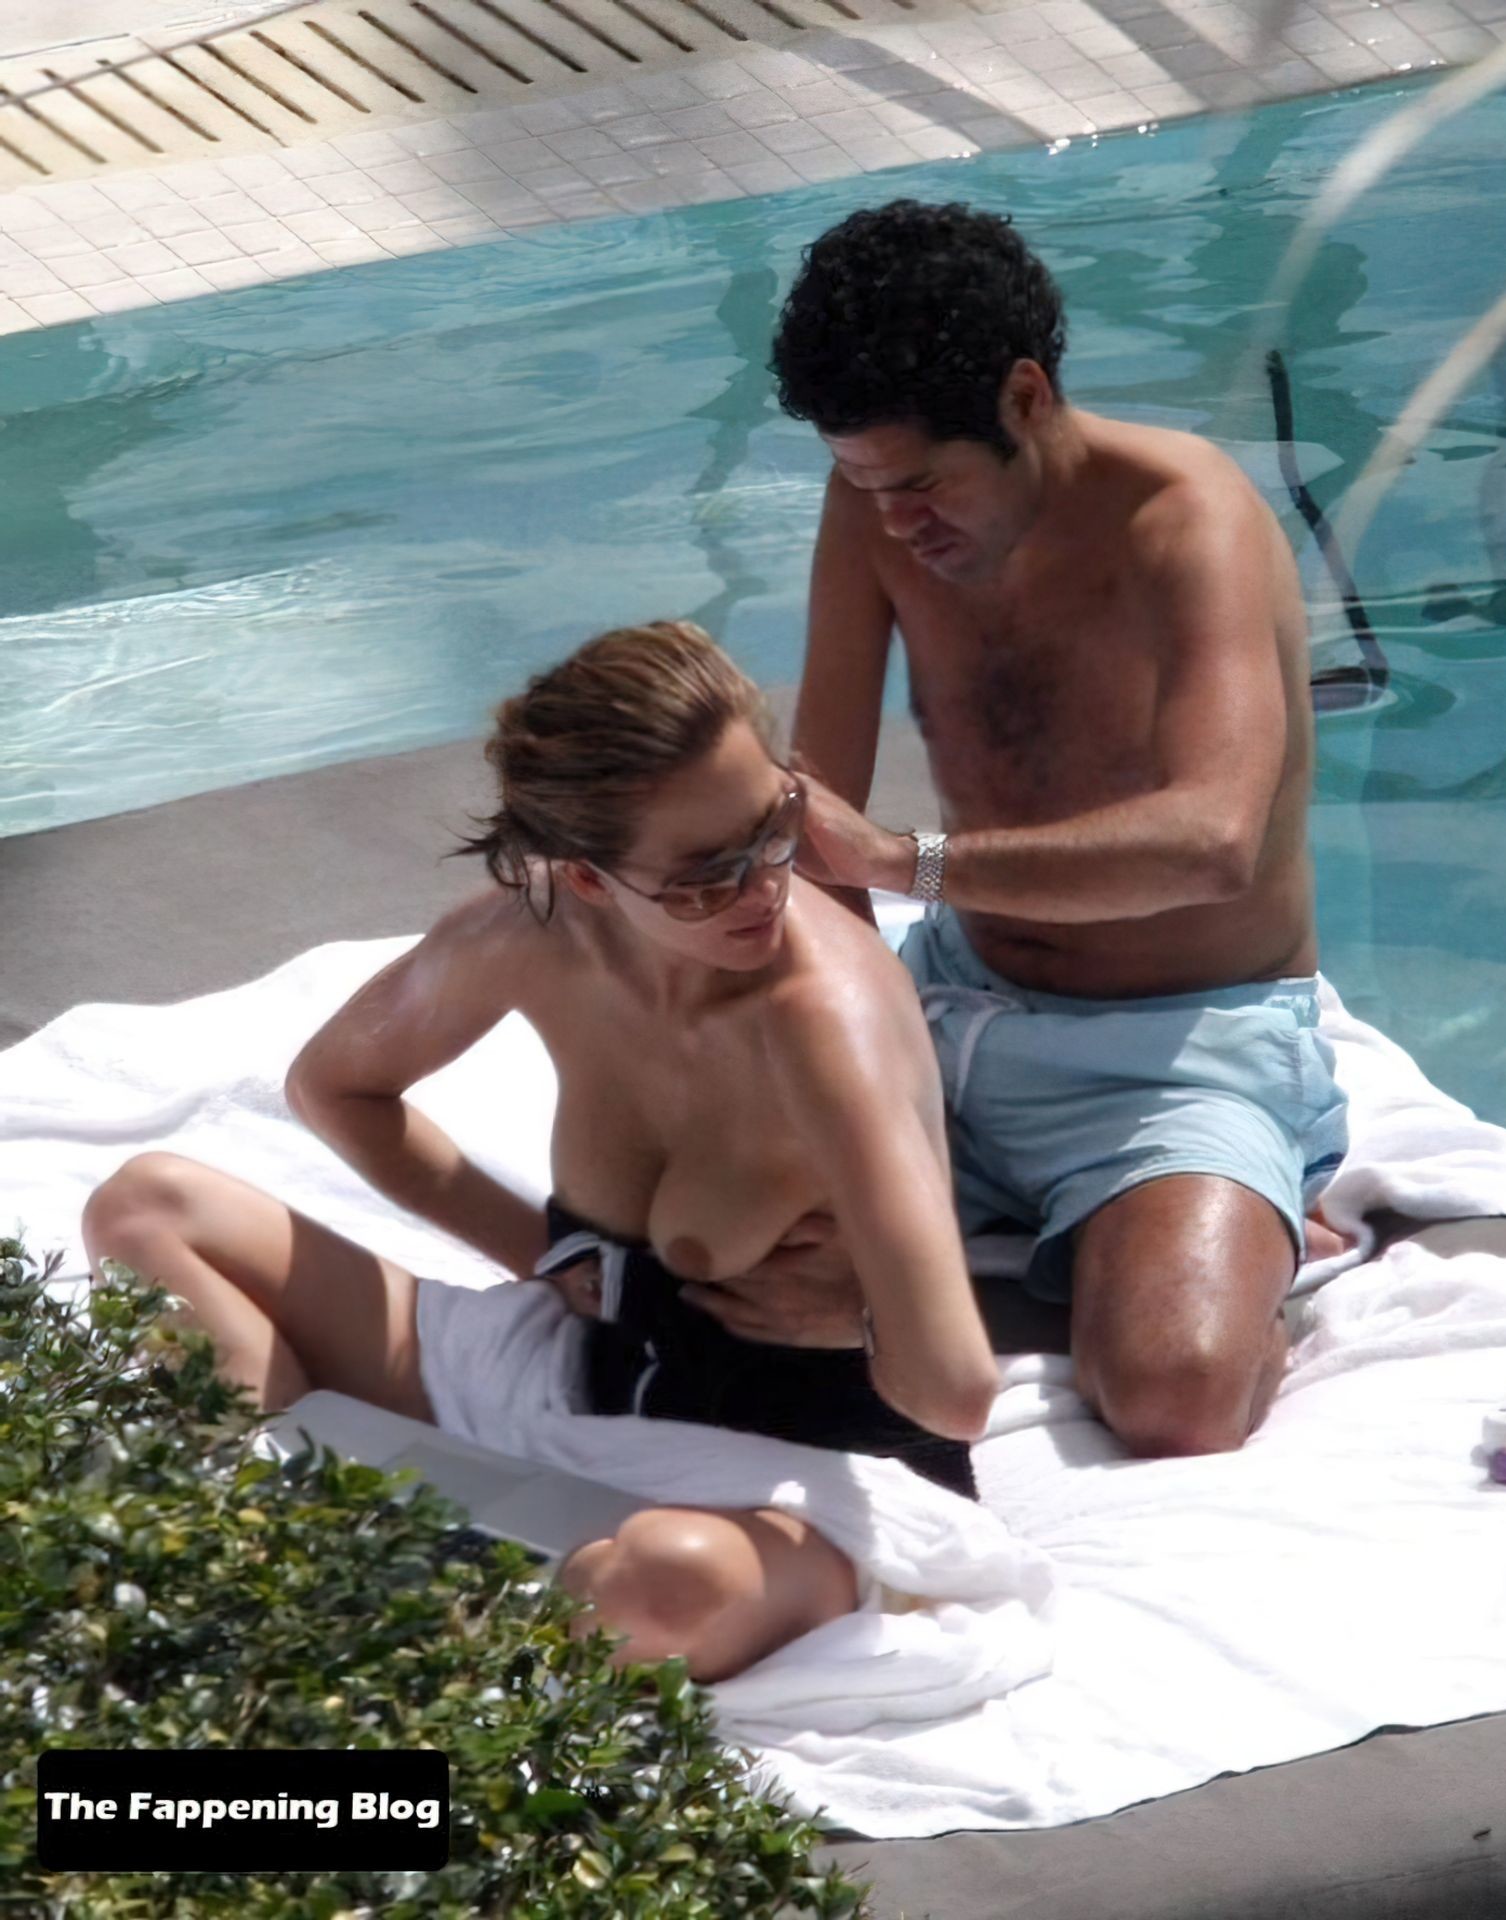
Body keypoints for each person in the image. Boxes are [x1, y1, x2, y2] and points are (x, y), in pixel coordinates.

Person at [81, 620, 1002, 1684]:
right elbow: (337, 1088)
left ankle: (311, 1577)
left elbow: (956, 1389)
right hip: (583, 1374)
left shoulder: (821, 1024)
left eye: (777, 826)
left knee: (662, 1584)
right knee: (147, 1209)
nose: (764, 888)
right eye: (704, 876)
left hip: (811, 1465)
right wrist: (546, 1258)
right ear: (589, 880)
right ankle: (280, 1524)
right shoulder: (535, 933)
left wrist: (872, 1316)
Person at [737, 198, 1350, 1461]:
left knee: (1174, 1394)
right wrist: (850, 1043)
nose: (894, 522)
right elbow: (814, 814)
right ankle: (1115, 1237)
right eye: (864, 484)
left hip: (1176, 1052)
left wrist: (906, 863)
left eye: (921, 484)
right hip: (949, 1004)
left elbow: (1210, 842)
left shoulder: (1186, 519)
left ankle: (1235, 1221)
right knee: (706, 1266)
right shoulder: (872, 503)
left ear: (1024, 397)